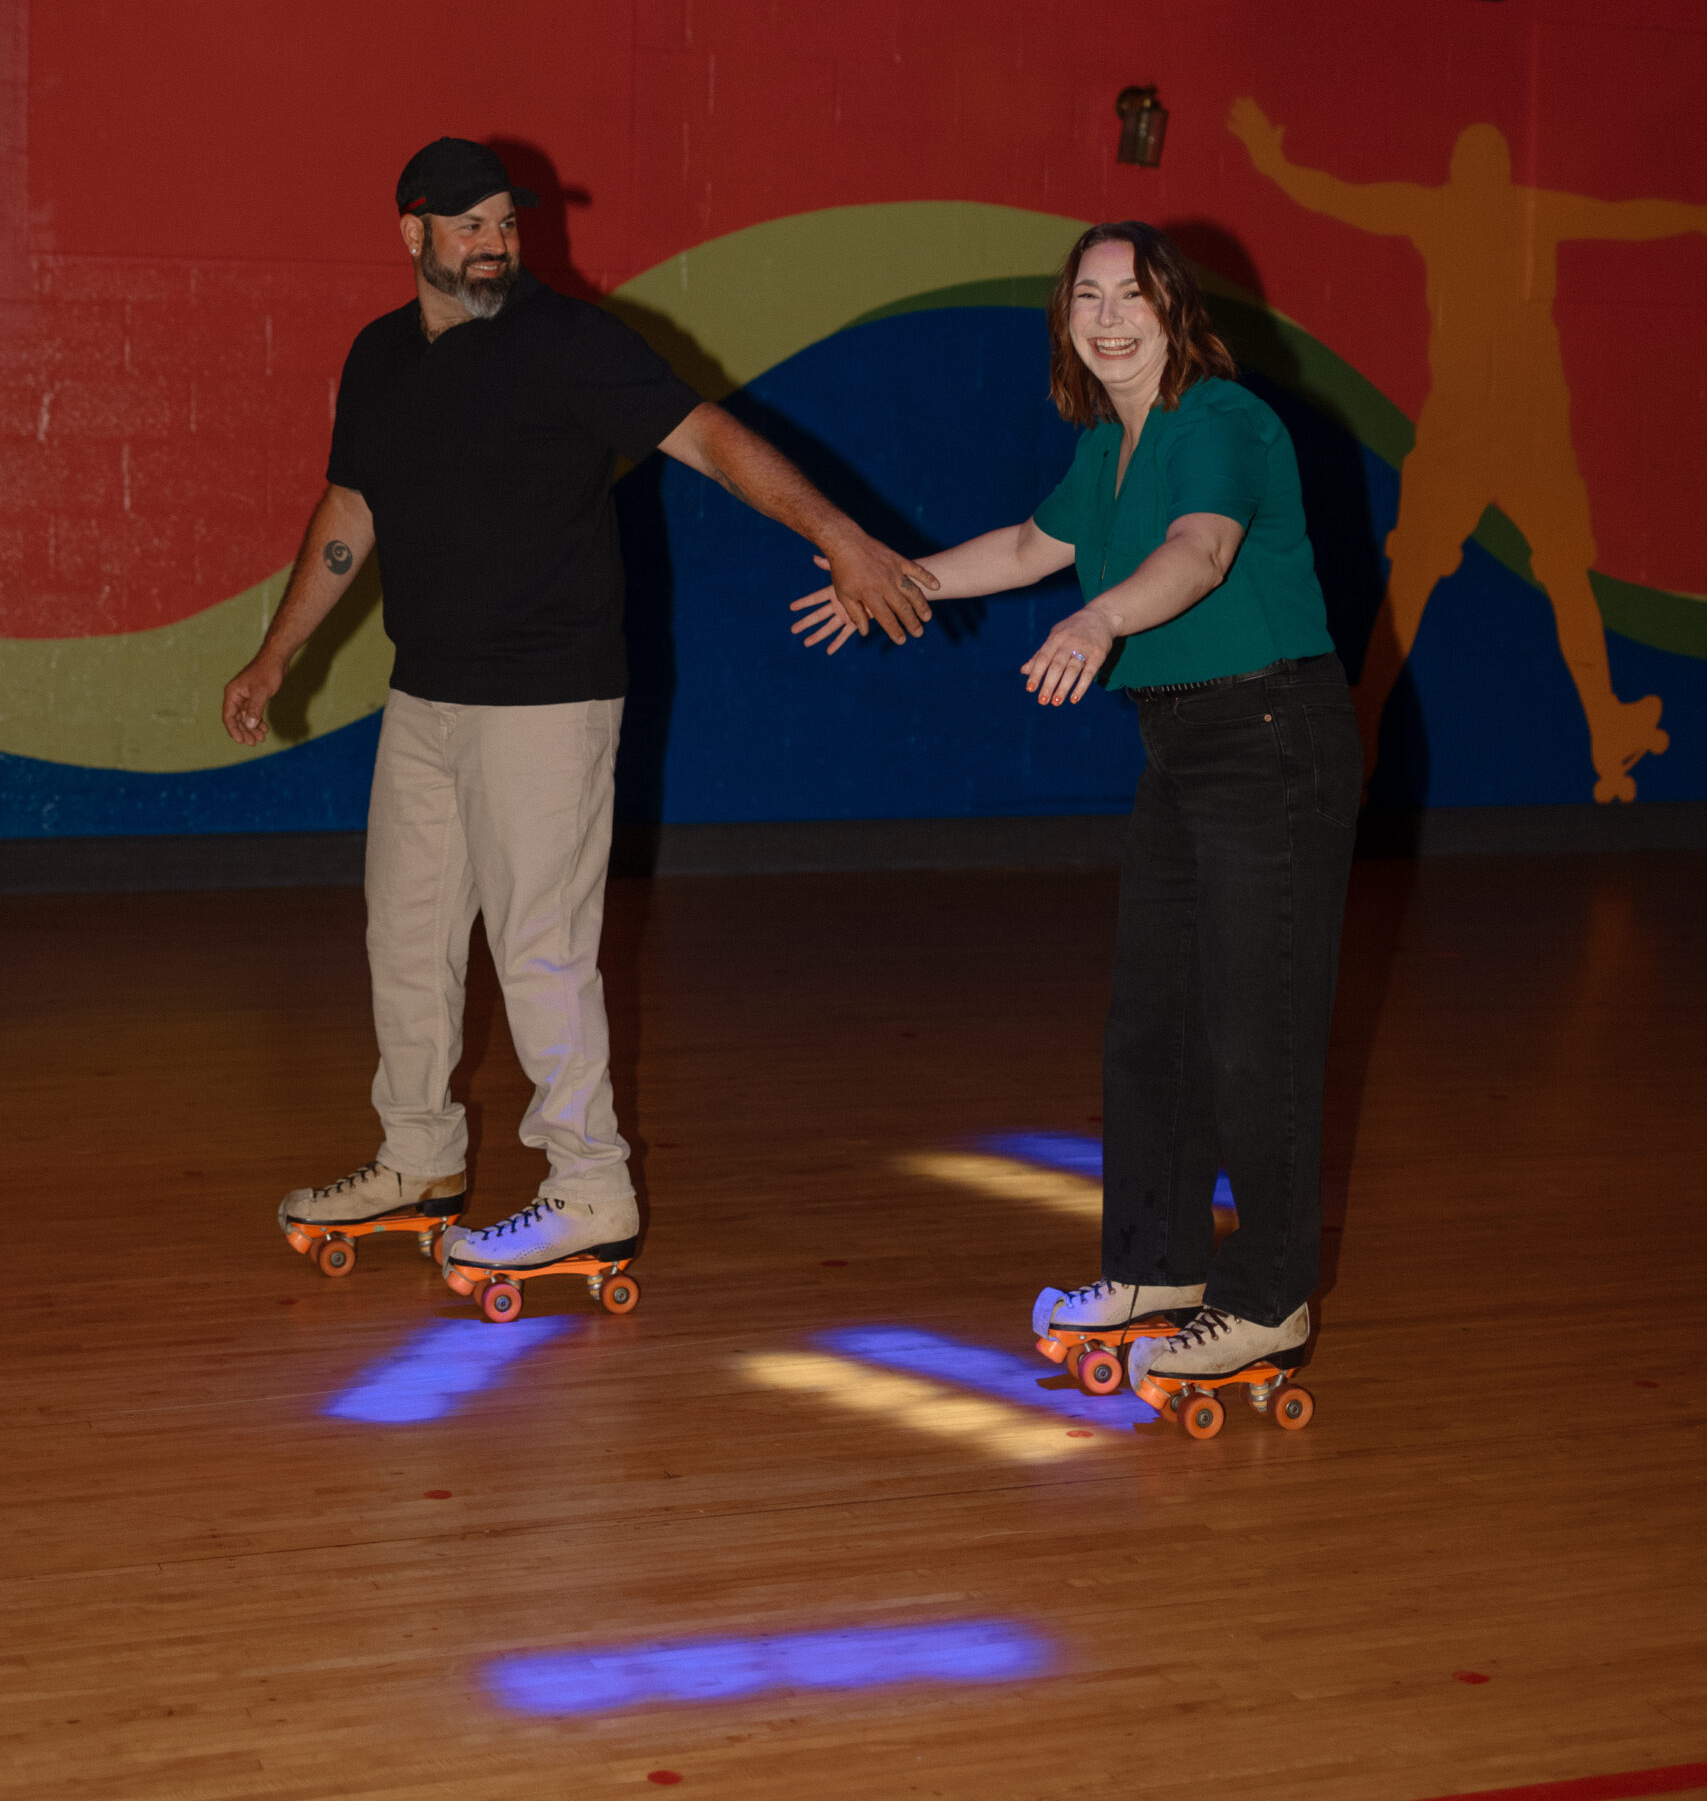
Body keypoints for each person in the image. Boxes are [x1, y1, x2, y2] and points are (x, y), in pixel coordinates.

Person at [224, 138, 935, 1285]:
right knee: (404, 938)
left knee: (541, 950)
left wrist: (840, 536)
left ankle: (589, 1187)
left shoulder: (569, 343)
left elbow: (707, 436)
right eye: (468, 223)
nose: (496, 239)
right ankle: (418, 1158)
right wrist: (275, 656)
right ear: (413, 236)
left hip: (547, 702)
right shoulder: (379, 360)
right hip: (427, 696)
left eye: (507, 218)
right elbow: (353, 504)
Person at [792, 220, 1361, 1390]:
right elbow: (1022, 546)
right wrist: (891, 581)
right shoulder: (1107, 445)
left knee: (1259, 1035)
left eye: (1132, 294)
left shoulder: (1223, 422)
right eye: (1087, 296)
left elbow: (1200, 553)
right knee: (1153, 1023)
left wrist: (1102, 619)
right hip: (1185, 747)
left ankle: (1267, 1301)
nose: (1107, 316)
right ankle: (1156, 1268)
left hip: (1271, 739)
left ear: (1175, 310)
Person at [1231, 99, 1707, 802]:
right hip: (1487, 430)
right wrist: (1273, 163)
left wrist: (1274, 162)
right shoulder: (1492, 210)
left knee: (1490, 576)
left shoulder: (1483, 210)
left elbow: (1627, 219)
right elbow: (1342, 201)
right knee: (1467, 577)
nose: (1481, 176)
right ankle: (1585, 721)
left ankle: (1602, 721)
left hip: (1513, 431)